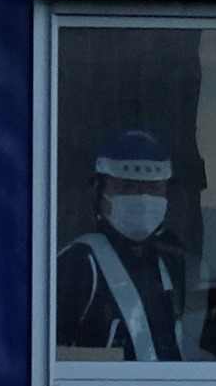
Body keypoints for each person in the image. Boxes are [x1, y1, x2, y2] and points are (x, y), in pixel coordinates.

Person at [58, 127, 202, 360]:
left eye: (153, 188)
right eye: (128, 187)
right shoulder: (79, 263)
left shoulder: (170, 260)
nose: (143, 198)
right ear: (99, 192)